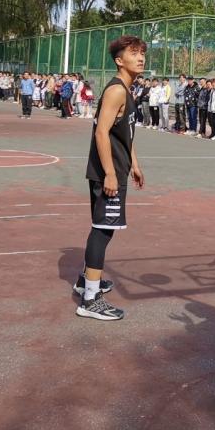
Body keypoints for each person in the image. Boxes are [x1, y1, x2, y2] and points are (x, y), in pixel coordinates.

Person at [74, 35, 146, 321]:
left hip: (117, 168)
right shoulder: (117, 90)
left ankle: (86, 281)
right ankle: (90, 299)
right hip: (109, 172)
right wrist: (110, 174)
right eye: (133, 53)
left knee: (105, 227)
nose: (140, 58)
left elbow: (124, 133)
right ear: (119, 60)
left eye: (142, 53)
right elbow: (101, 133)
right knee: (103, 230)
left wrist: (135, 163)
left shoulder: (127, 90)